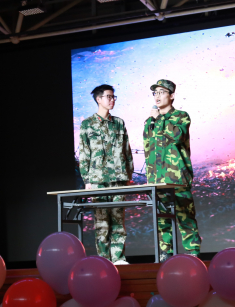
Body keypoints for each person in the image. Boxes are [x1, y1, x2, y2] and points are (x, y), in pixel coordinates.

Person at [143, 79, 202, 262]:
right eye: (155, 93)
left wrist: (159, 118)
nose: (157, 96)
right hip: (157, 181)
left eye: (161, 92)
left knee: (186, 218)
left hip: (178, 179)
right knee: (162, 221)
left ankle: (193, 255)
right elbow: (148, 149)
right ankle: (165, 256)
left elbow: (177, 136)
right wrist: (150, 178)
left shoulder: (181, 116)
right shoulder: (149, 121)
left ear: (172, 95)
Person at [78, 84, 134, 265]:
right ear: (98, 99)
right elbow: (84, 153)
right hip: (98, 180)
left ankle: (118, 258)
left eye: (113, 97)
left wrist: (128, 175)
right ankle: (104, 260)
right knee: (102, 223)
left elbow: (127, 151)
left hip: (118, 179)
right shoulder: (87, 124)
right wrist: (87, 179)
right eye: (109, 97)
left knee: (118, 221)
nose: (112, 100)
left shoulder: (119, 123)